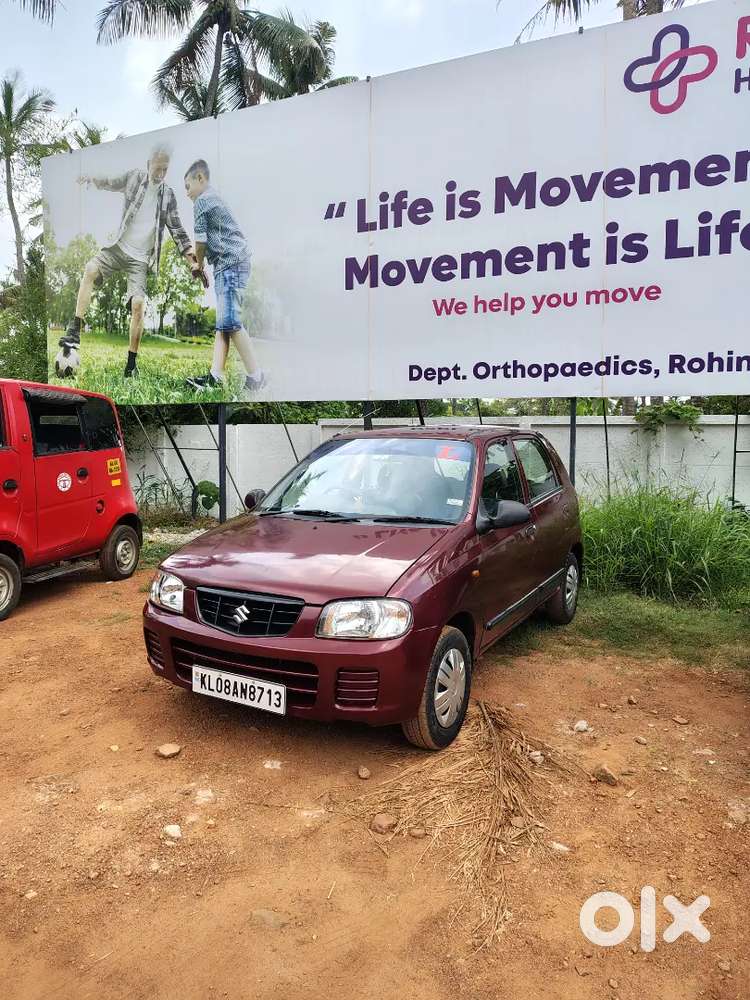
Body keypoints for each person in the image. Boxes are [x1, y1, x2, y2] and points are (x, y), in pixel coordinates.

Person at [58, 143, 198, 378]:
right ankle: (75, 330)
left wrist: (193, 261)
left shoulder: (168, 196)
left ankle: (131, 365)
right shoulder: (134, 177)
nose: (161, 174)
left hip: (140, 260)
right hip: (119, 247)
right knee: (90, 268)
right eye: (157, 168)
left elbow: (179, 232)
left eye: (165, 169)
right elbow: (110, 182)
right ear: (148, 164)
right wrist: (90, 178)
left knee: (139, 305)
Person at [182, 159, 266, 394]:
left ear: (201, 178)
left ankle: (256, 377)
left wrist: (197, 266)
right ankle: (215, 377)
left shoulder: (203, 201)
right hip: (228, 264)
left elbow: (200, 241)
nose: (187, 193)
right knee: (223, 325)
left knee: (230, 322)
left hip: (231, 264)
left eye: (188, 186)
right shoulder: (213, 197)